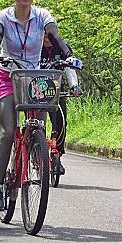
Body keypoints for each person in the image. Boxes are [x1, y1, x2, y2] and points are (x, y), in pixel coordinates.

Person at [0, 0, 81, 211]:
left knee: (37, 125)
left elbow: (55, 36)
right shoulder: (3, 16)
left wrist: (69, 57)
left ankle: (34, 151)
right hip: (7, 76)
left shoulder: (43, 16)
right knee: (7, 131)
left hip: (34, 80)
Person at [40, 33, 83, 176]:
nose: (46, 37)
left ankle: (57, 153)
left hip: (57, 89)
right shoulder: (33, 47)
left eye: (49, 33)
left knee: (61, 122)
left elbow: (70, 69)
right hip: (36, 90)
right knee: (36, 122)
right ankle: (35, 151)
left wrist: (74, 86)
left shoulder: (62, 48)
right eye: (43, 33)